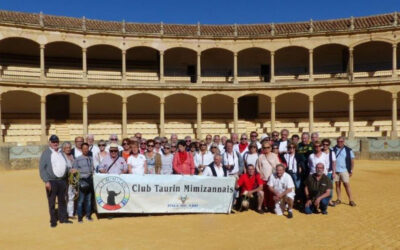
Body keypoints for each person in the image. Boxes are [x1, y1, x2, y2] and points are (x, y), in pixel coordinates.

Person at [39, 135, 71, 227]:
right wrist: (46, 181)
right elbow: (42, 168)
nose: (55, 143)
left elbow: (65, 165)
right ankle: (53, 221)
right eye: (53, 142)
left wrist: (69, 173)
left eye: (56, 141)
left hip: (62, 181)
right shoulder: (46, 153)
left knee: (62, 201)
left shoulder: (61, 152)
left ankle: (63, 218)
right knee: (52, 202)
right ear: (50, 143)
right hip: (51, 181)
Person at [72, 143, 94, 223]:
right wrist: (76, 184)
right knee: (80, 200)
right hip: (81, 181)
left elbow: (92, 170)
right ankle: (80, 218)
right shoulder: (77, 159)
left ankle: (88, 216)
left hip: (89, 181)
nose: (85, 150)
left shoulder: (91, 158)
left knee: (88, 200)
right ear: (81, 149)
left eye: (87, 148)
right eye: (84, 148)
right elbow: (74, 171)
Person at [332, 136, 356, 206]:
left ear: (344, 142)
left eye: (341, 141)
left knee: (346, 185)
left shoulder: (349, 150)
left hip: (344, 170)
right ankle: (339, 199)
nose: (339, 143)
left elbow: (352, 161)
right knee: (337, 185)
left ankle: (351, 200)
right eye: (338, 141)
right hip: (335, 170)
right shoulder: (333, 149)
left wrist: (351, 170)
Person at [257, 140, 280, 211]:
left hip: (272, 177)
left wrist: (275, 175)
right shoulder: (260, 156)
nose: (266, 149)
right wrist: (260, 174)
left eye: (268, 147)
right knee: (265, 193)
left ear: (270, 148)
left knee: (271, 193)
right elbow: (258, 167)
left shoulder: (274, 156)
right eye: (264, 147)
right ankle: (265, 206)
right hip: (264, 178)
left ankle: (272, 206)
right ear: (262, 148)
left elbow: (278, 166)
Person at [61, 141, 76, 219]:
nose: (68, 149)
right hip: (63, 179)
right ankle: (64, 213)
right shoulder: (61, 157)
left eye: (69, 147)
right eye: (66, 148)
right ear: (63, 149)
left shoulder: (72, 156)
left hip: (71, 179)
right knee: (63, 196)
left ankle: (70, 213)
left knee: (71, 196)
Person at [321, 138, 337, 206]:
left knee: (330, 187)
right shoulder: (320, 151)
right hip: (321, 172)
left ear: (329, 145)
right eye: (324, 144)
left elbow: (334, 163)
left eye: (326, 145)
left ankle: (329, 200)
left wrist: (334, 172)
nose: (325, 146)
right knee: (321, 187)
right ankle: (322, 200)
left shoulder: (332, 152)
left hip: (329, 171)